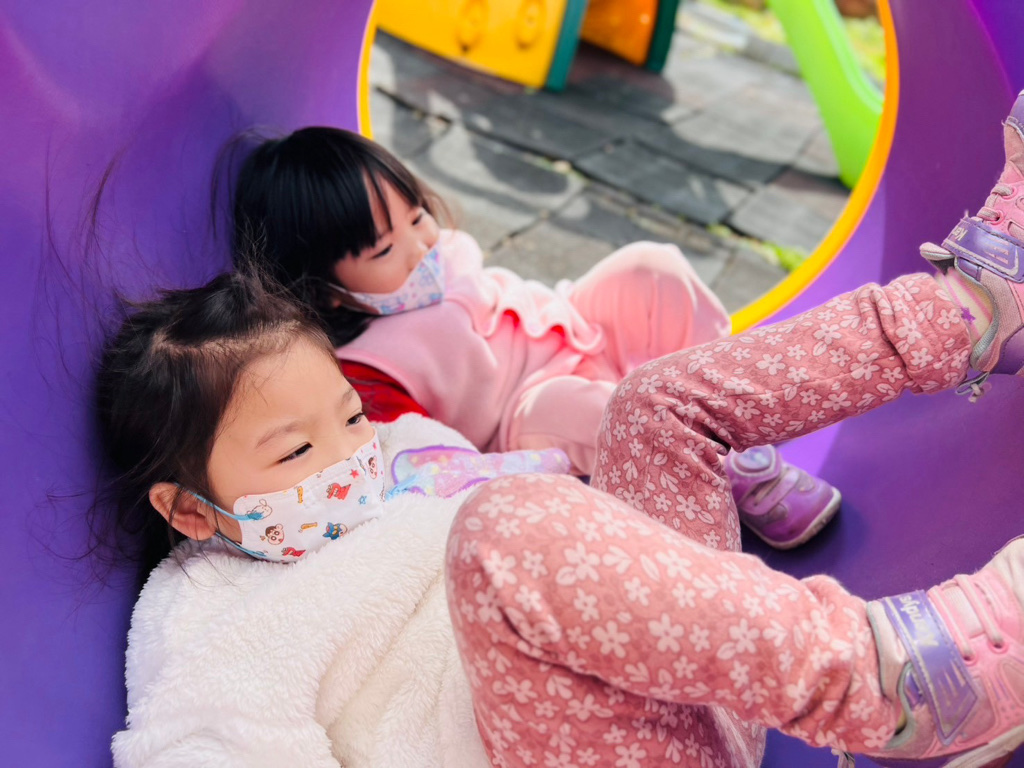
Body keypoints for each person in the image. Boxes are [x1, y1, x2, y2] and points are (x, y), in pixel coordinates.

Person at [107, 90, 1024, 767]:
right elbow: (200, 748)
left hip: (695, 676)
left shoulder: (394, 463)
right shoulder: (209, 611)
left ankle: (972, 316)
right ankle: (900, 685)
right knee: (501, 533)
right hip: (572, 745)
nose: (352, 454)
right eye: (299, 450)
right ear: (188, 511)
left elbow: (468, 469)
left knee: (648, 405)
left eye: (351, 417)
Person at [225, 127, 841, 550]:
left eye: (417, 217)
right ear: (329, 290)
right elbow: (418, 455)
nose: (421, 246)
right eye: (385, 249)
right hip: (525, 411)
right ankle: (725, 472)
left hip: (574, 323)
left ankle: (725, 400)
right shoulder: (369, 367)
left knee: (652, 268)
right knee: (593, 409)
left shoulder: (441, 255)